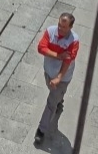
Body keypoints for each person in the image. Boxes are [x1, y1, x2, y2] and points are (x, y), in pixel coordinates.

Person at [34, 14, 79, 145]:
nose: (60, 28)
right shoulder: (50, 31)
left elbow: (67, 61)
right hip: (48, 71)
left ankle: (41, 130)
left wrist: (59, 78)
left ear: (70, 27)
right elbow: (41, 48)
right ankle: (59, 101)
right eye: (59, 24)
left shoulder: (73, 41)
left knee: (51, 103)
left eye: (64, 27)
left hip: (62, 78)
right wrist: (58, 55)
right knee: (54, 95)